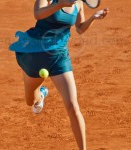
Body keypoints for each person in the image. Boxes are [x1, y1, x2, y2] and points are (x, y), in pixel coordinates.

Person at [9, 0, 109, 149]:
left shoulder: (79, 3)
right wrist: (61, 4)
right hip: (34, 53)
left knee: (73, 106)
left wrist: (93, 17)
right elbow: (37, 14)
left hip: (59, 57)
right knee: (30, 101)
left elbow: (80, 28)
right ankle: (40, 96)